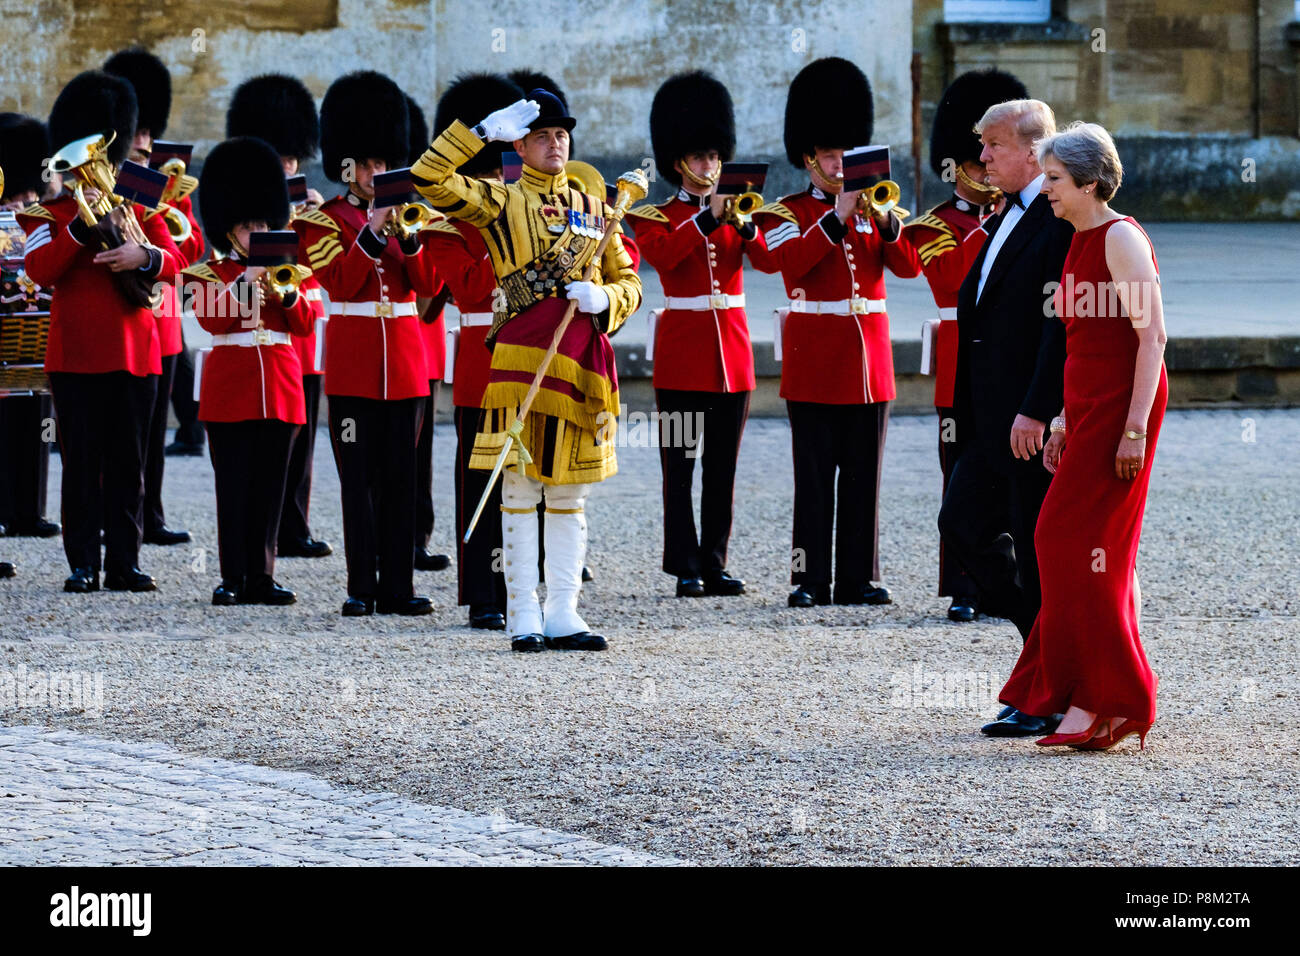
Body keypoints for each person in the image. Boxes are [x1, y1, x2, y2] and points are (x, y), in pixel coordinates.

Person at [412, 90, 641, 652]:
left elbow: (631, 282)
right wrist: (481, 131)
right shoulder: (499, 200)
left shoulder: (596, 211)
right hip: (519, 364)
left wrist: (605, 298)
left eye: (561, 134)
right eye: (541, 135)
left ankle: (564, 611)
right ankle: (523, 614)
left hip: (580, 365)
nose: (555, 142)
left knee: (569, 495)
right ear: (520, 144)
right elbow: (427, 178)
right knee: (518, 490)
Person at [999, 123, 1167, 751]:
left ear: (1090, 183)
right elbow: (1080, 346)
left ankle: (1114, 700)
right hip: (1090, 409)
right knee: (1076, 549)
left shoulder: (1120, 237)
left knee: (1072, 544)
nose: (1046, 190)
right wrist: (1066, 420)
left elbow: (1152, 339)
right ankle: (1088, 698)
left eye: (1055, 180)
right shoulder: (1075, 239)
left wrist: (1132, 431)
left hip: (1125, 409)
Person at [751, 57, 920, 610]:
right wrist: (835, 219)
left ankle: (857, 578)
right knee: (815, 477)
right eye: (830, 155)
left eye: (846, 153)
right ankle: (808, 579)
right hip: (815, 360)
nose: (841, 163)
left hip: (869, 364)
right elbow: (790, 264)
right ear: (809, 158)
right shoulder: (786, 213)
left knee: (864, 479)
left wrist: (891, 225)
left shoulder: (875, 210)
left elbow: (909, 269)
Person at [934, 98, 1073, 738]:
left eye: (991, 146)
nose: (981, 157)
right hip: (986, 419)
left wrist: (1038, 411)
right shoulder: (1000, 218)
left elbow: (1056, 330)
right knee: (960, 525)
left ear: (1031, 150)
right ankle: (1037, 654)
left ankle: (1049, 691)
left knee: (1038, 552)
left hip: (1026, 423)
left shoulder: (1055, 219)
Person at [19, 70, 183, 594]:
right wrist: (78, 228)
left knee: (129, 463)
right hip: (76, 354)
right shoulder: (50, 211)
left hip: (136, 350)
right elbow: (40, 270)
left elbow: (178, 255)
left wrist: (144, 255)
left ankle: (125, 562)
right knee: (82, 464)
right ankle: (83, 561)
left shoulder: (138, 193)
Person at [293, 70, 441, 617]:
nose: (381, 172)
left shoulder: (410, 220)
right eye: (372, 163)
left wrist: (409, 237)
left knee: (402, 478)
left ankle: (399, 586)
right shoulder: (323, 222)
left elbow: (428, 286)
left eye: (387, 162)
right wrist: (374, 230)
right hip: (355, 369)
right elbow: (341, 283)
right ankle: (362, 585)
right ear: (348, 167)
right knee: (358, 481)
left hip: (404, 368)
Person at [627, 70, 765, 599]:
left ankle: (714, 561)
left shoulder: (738, 212)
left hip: (732, 355)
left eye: (715, 156)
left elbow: (772, 264)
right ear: (678, 161)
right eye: (700, 157)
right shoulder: (653, 216)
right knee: (679, 469)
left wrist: (746, 228)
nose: (710, 166)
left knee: (722, 468)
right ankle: (683, 563)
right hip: (683, 356)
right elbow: (662, 256)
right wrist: (708, 220)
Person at [904, 68, 1029, 623]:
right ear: (958, 166)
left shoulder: (1022, 217)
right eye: (978, 161)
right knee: (957, 483)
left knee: (1011, 479)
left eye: (991, 157)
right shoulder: (934, 226)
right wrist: (992, 225)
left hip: (1008, 368)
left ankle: (1013, 577)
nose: (986, 169)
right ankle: (962, 586)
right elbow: (951, 281)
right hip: (959, 367)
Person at [185, 136, 313, 606]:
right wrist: (245, 281)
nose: (256, 231)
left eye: (262, 222)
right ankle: (232, 575)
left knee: (271, 486)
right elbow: (212, 320)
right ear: (228, 229)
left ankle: (263, 574)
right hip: (231, 390)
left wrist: (284, 289)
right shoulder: (207, 274)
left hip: (279, 388)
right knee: (233, 487)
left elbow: (303, 327)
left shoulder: (289, 270)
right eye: (246, 225)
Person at [422, 72, 526, 631]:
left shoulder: (536, 206)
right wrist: (503, 229)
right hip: (482, 367)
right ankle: (483, 591)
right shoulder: (449, 225)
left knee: (530, 481)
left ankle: (525, 586)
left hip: (534, 362)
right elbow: (468, 289)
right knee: (482, 483)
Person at [226, 72, 333, 560]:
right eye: (282, 157)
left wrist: (316, 219)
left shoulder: (311, 209)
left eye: (293, 157)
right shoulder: (245, 210)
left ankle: (295, 525)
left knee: (302, 441)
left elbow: (324, 272)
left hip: (302, 332)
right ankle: (265, 537)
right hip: (260, 339)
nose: (289, 165)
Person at [104, 47, 193, 547]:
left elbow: (192, 246)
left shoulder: (159, 182)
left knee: (152, 438)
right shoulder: (118, 179)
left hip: (162, 325)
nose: (143, 142)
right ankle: (115, 519)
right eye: (136, 134)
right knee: (121, 438)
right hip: (126, 322)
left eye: (146, 133)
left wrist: (171, 204)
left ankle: (149, 515)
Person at [0, 113, 59, 540]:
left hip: (34, 327)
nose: (21, 200)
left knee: (36, 413)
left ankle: (29, 509)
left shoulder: (40, 217)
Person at [403, 92, 452, 575]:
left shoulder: (431, 217)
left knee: (422, 451)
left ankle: (417, 536)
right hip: (390, 345)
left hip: (426, 345)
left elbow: (437, 284)